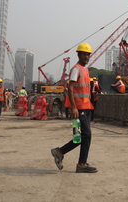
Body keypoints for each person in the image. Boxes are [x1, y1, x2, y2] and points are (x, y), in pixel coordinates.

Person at [51, 42, 97, 173]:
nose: (87, 57)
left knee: (84, 136)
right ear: (78, 54)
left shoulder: (85, 70)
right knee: (85, 135)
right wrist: (73, 107)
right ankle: (63, 153)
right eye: (84, 54)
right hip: (79, 108)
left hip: (86, 107)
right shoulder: (76, 69)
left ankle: (78, 162)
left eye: (88, 54)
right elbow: (70, 88)